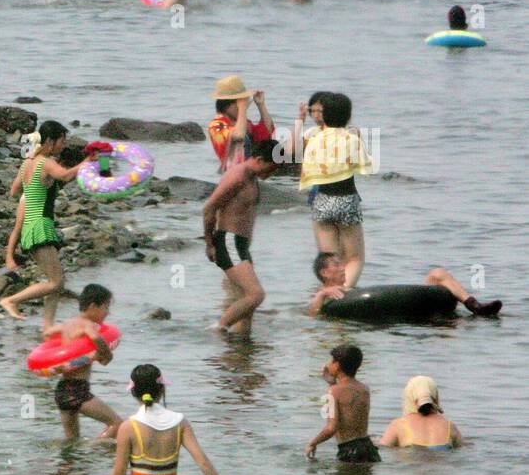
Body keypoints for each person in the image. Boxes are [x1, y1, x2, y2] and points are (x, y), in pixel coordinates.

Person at [98, 363, 234, 475]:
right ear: (162, 390)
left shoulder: (128, 427)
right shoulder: (180, 422)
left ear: (133, 392)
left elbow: (119, 474)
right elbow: (202, 462)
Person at [0, 121, 83, 329]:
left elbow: (14, 190)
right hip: (40, 226)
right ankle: (11, 300)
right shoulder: (45, 162)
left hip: (31, 226)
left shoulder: (28, 163)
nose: (64, 145)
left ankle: (47, 328)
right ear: (50, 141)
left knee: (55, 282)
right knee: (56, 282)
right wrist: (89, 162)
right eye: (62, 141)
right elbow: (65, 175)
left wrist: (37, 190)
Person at [203, 135, 280, 334]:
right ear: (259, 160)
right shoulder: (237, 177)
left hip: (240, 245)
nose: (271, 174)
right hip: (229, 241)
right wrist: (209, 243)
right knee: (256, 295)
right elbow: (210, 207)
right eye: (271, 168)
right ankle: (217, 329)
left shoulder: (251, 177)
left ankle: (240, 351)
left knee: (246, 305)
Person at [298, 92, 373, 288]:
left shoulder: (314, 139)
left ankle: (327, 295)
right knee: (354, 258)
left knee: (331, 260)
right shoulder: (351, 138)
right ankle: (343, 295)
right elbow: (365, 168)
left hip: (321, 201)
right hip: (346, 199)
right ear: (348, 116)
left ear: (324, 115)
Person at [309, 252, 502, 317]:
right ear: (324, 272)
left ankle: (473, 305)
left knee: (437, 273)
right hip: (386, 314)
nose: (343, 268)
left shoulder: (350, 288)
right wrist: (323, 294)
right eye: (337, 265)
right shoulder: (322, 293)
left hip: (403, 306)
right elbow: (311, 314)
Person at [44, 284, 119, 442]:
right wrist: (105, 355)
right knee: (117, 424)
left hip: (62, 390)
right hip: (77, 390)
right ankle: (92, 449)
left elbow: (48, 333)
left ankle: (69, 465)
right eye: (106, 307)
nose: (108, 312)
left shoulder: (67, 324)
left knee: (72, 440)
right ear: (93, 306)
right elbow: (96, 338)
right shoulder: (87, 324)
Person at [306, 344, 378, 463]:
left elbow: (332, 428)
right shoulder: (364, 389)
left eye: (331, 361)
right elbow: (350, 414)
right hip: (369, 449)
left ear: (337, 365)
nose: (328, 364)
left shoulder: (333, 391)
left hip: (350, 452)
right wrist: (332, 384)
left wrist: (313, 443)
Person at [207, 75, 274, 173]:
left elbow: (267, 132)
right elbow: (239, 136)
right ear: (227, 105)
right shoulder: (216, 126)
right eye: (238, 105)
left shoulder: (241, 123)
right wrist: (242, 107)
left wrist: (261, 105)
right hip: (230, 174)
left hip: (246, 173)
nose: (244, 107)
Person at [379, 376, 463, 449]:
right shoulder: (449, 425)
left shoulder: (398, 425)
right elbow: (462, 447)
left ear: (408, 397)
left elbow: (382, 448)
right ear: (435, 396)